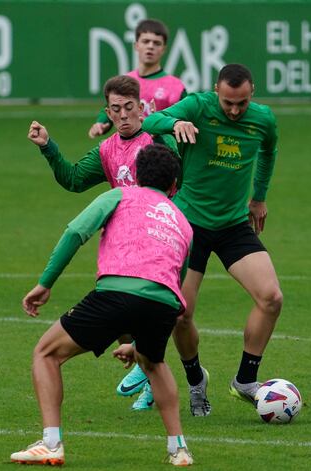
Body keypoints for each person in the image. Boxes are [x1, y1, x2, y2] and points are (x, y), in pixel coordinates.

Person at [10, 144, 194, 467]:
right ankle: (178, 449)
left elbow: (76, 232)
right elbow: (168, 286)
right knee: (154, 363)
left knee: (46, 353)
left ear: (136, 175)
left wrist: (46, 283)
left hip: (115, 292)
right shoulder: (184, 223)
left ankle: (51, 443)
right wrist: (137, 344)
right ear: (174, 186)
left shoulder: (121, 195)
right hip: (164, 304)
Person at [122, 63, 282, 417]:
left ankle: (245, 380)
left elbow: (269, 152)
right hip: (189, 225)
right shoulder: (197, 105)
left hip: (233, 224)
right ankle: (196, 382)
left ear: (252, 92)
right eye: (228, 103)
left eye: (241, 103)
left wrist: (259, 196)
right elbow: (149, 122)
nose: (235, 111)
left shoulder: (264, 119)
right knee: (181, 313)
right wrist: (173, 123)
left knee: (270, 298)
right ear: (216, 91)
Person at [28, 75, 179, 194]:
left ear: (140, 108)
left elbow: (182, 177)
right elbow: (73, 179)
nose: (123, 115)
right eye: (116, 109)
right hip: (129, 228)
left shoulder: (159, 138)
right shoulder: (106, 150)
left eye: (128, 107)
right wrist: (47, 145)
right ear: (108, 113)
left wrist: (160, 138)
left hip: (162, 227)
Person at [88, 18, 186, 139]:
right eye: (146, 41)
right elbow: (109, 107)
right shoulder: (125, 80)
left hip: (161, 153)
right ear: (136, 45)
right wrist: (101, 123)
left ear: (164, 49)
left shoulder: (176, 87)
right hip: (128, 151)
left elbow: (185, 121)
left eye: (156, 43)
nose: (150, 46)